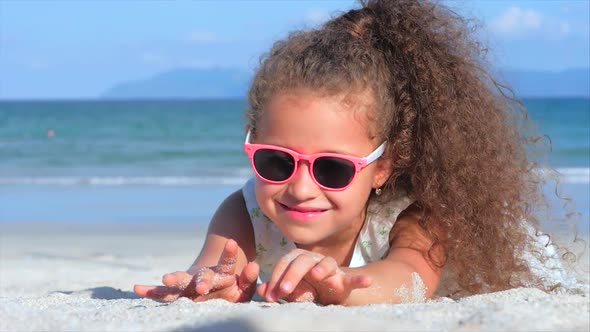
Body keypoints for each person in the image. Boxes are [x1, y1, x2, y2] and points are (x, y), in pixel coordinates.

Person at [134, 0, 570, 305]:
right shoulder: (245, 213)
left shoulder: (419, 216)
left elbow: (407, 279)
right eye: (276, 161)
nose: (301, 188)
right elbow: (212, 269)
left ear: (382, 166)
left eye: (333, 168)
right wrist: (210, 287)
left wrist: (343, 287)